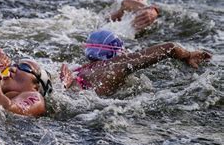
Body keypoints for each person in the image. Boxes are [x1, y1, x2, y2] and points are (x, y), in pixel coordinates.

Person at [60, 34, 212, 96]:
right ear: (115, 53)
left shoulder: (81, 69)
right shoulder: (114, 66)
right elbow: (169, 47)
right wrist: (188, 55)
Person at [0, 49, 52, 116]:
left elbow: (1, 108)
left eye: (24, 66)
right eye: (14, 65)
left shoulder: (37, 97)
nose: (12, 68)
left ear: (36, 87)